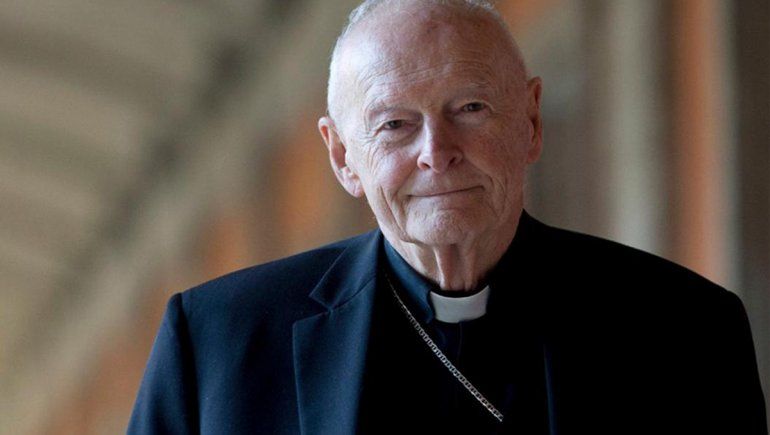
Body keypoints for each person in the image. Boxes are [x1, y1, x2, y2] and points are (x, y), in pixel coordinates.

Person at [128, 1, 767, 434]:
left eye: (470, 108)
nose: (437, 152)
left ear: (531, 120)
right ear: (343, 157)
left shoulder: (685, 330)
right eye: (394, 125)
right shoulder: (217, 345)